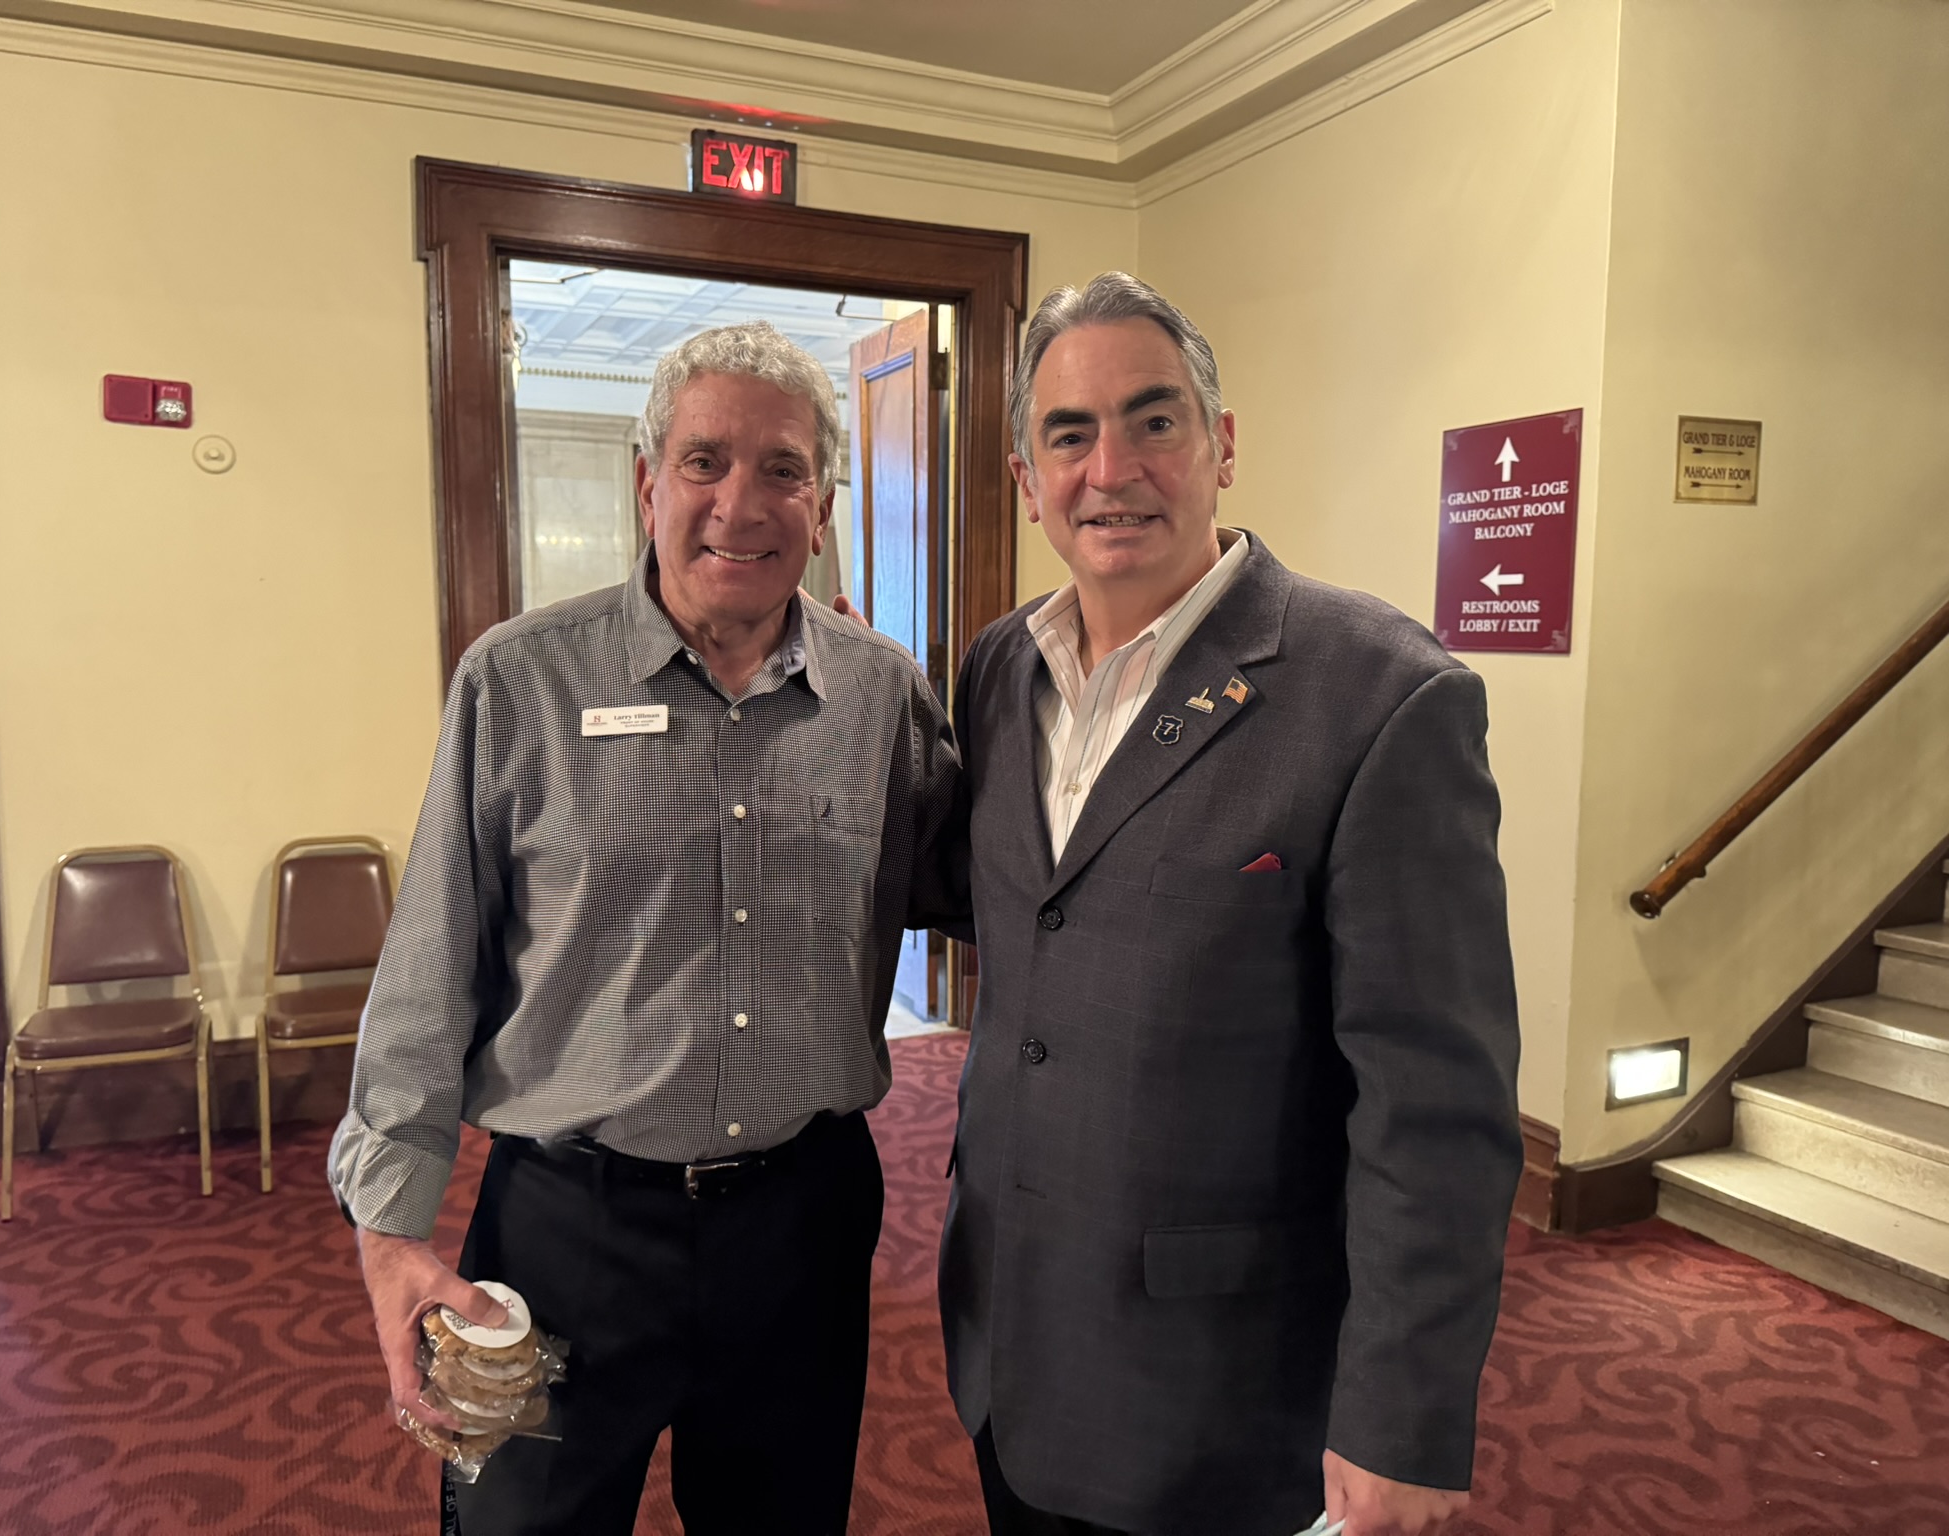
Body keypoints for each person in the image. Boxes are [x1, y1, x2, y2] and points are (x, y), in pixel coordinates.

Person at [328, 320, 964, 1536]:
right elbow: (428, 971)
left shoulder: (882, 694)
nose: (740, 503)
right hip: (566, 1232)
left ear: (824, 507)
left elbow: (987, 887)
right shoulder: (518, 681)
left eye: (782, 469)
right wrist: (390, 1233)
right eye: (703, 462)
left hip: (802, 1223)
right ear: (645, 483)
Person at [938, 273, 1521, 1536]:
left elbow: (1436, 1104)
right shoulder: (997, 669)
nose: (1111, 471)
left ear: (1222, 444)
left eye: (1153, 420)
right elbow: (1025, 919)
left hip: (1221, 1391)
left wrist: (1401, 1414)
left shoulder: (1378, 696)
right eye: (1069, 435)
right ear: (1026, 478)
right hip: (1013, 1335)